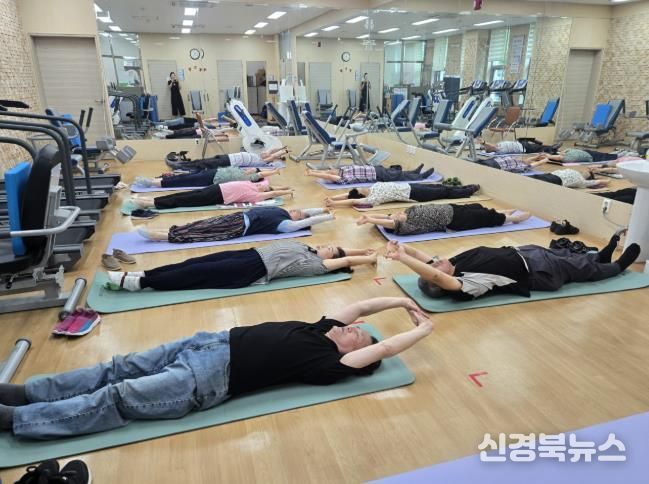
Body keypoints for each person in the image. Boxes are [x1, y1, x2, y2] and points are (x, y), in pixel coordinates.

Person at [0, 297, 434, 439]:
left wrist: (422, 330)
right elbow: (361, 306)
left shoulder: (330, 363)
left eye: (359, 334)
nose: (354, 326)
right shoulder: (322, 329)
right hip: (206, 343)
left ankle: (19, 420)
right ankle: (31, 393)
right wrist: (401, 300)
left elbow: (383, 348)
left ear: (357, 354)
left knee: (119, 396)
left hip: (208, 380)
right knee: (116, 367)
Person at [384, 231, 640, 300]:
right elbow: (437, 278)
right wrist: (402, 260)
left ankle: (600, 256)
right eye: (433, 267)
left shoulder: (451, 264)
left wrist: (402, 249)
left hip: (526, 253)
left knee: (569, 257)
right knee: (580, 270)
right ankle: (616, 266)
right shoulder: (467, 283)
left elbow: (428, 263)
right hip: (539, 273)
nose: (436, 261)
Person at [103, 241, 379, 291]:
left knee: (196, 273)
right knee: (193, 262)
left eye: (330, 249)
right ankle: (145, 273)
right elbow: (344, 251)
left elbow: (344, 260)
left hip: (254, 270)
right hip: (250, 254)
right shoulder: (308, 248)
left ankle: (140, 284)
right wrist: (363, 248)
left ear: (329, 259)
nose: (326, 246)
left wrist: (368, 259)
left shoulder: (316, 264)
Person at [138, 206, 336, 243]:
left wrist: (327, 217)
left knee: (202, 232)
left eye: (298, 213)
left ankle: (159, 236)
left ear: (297, 220)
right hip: (237, 217)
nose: (297, 210)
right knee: (199, 223)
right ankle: (163, 231)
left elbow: (308, 220)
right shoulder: (283, 211)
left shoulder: (286, 224)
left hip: (237, 228)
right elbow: (308, 212)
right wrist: (323, 209)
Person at [356, 203, 530, 236]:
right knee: (484, 217)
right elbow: (390, 222)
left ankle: (501, 212)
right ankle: (513, 219)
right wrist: (370, 220)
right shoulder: (407, 224)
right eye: (394, 216)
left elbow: (386, 217)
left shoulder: (407, 212)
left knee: (478, 207)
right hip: (454, 220)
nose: (393, 214)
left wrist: (369, 215)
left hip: (452, 208)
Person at [130, 179, 294, 210]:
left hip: (216, 193)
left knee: (184, 199)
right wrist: (287, 188)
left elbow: (274, 191)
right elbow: (271, 187)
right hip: (216, 190)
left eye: (265, 189)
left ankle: (151, 202)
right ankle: (152, 201)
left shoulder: (254, 194)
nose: (263, 187)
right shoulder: (254, 187)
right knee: (184, 197)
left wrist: (286, 191)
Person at [324, 182, 481, 208]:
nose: (362, 187)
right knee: (443, 193)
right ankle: (468, 191)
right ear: (361, 194)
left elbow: (349, 194)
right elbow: (352, 201)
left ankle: (464, 188)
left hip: (411, 186)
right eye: (360, 189)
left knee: (440, 186)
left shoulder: (373, 187)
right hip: (415, 194)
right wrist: (334, 204)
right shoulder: (372, 198)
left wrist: (333, 198)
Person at [134, 167, 281, 189]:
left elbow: (260, 174)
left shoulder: (248, 178)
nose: (251, 169)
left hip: (212, 180)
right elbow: (259, 171)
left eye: (254, 170)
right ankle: (153, 180)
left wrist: (274, 172)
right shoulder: (241, 170)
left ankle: (151, 183)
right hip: (213, 172)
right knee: (185, 176)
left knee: (182, 181)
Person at [166, 147, 288, 171]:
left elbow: (273, 156)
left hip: (229, 162)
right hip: (228, 157)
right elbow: (271, 151)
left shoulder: (263, 162)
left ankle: (178, 166)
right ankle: (181, 164)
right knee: (202, 161)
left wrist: (284, 152)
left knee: (203, 165)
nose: (265, 153)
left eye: (268, 156)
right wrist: (282, 147)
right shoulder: (260, 156)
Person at [306, 164, 436, 185]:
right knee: (397, 176)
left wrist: (314, 171)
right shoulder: (342, 179)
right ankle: (421, 177)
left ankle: (413, 172)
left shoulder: (342, 170)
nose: (331, 170)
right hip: (376, 176)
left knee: (395, 172)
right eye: (331, 172)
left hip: (375, 169)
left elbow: (327, 172)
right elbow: (328, 176)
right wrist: (313, 174)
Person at [530, 168, 610, 189]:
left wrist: (605, 179)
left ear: (588, 177)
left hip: (557, 180)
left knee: (535, 182)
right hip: (550, 174)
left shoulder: (582, 182)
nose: (586, 171)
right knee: (528, 178)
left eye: (588, 172)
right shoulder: (573, 170)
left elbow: (603, 181)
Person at [478, 137, 561, 155]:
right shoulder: (498, 150)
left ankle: (551, 148)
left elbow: (491, 145)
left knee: (537, 146)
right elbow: (492, 147)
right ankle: (552, 149)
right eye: (487, 147)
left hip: (521, 143)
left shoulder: (496, 145)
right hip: (524, 148)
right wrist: (484, 143)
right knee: (538, 148)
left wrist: (482, 146)